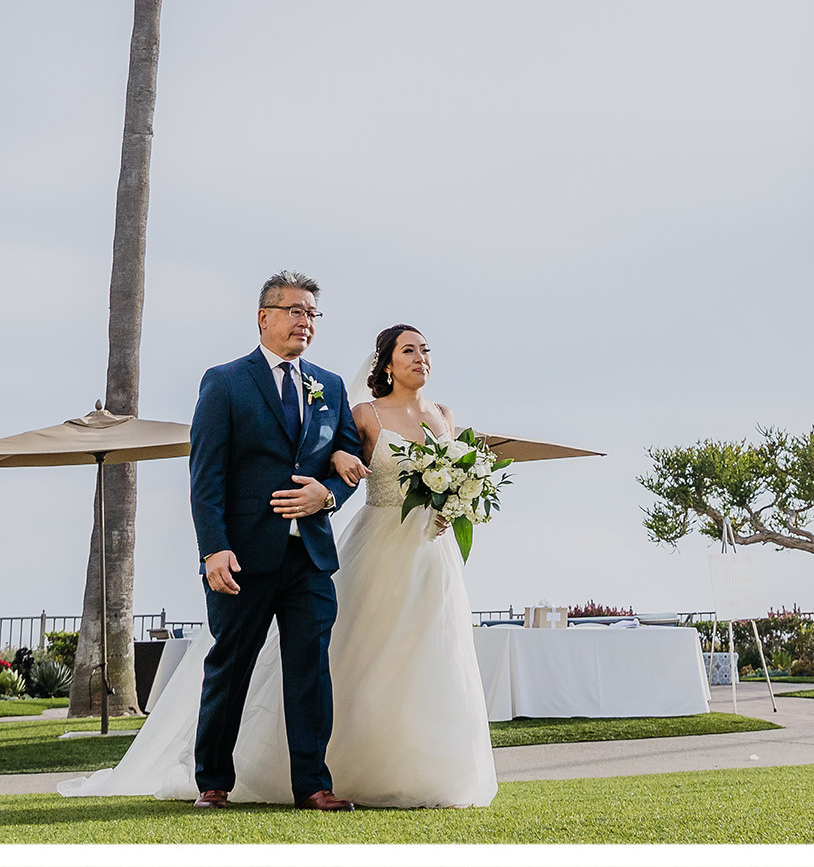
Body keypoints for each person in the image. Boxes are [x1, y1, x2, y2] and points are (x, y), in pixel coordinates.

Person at [61, 298, 498, 811]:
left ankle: (313, 785)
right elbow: (206, 477)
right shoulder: (224, 382)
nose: (304, 321)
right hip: (243, 556)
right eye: (294, 311)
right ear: (263, 317)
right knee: (230, 667)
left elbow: (352, 462)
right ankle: (213, 783)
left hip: (311, 557)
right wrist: (214, 550)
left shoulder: (330, 386)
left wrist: (329, 490)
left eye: (312, 313)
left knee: (311, 672)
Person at [321, 323, 498, 808]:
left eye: (425, 350)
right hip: (379, 543)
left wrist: (454, 504)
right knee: (370, 652)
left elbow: (460, 479)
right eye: (409, 350)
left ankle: (427, 770)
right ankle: (351, 766)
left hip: (433, 552)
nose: (420, 357)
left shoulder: (444, 414)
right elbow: (333, 459)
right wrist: (338, 453)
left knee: (430, 653)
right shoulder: (365, 413)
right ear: (387, 364)